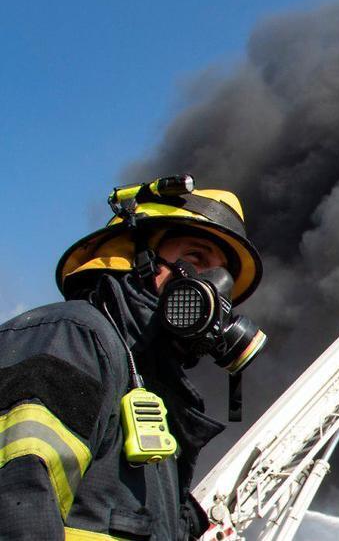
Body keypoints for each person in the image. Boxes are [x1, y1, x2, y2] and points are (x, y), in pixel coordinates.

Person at [0, 175, 265, 540]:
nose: (211, 287)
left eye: (222, 277)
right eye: (195, 259)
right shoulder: (75, 336)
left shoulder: (143, 381)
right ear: (135, 256)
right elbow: (18, 502)